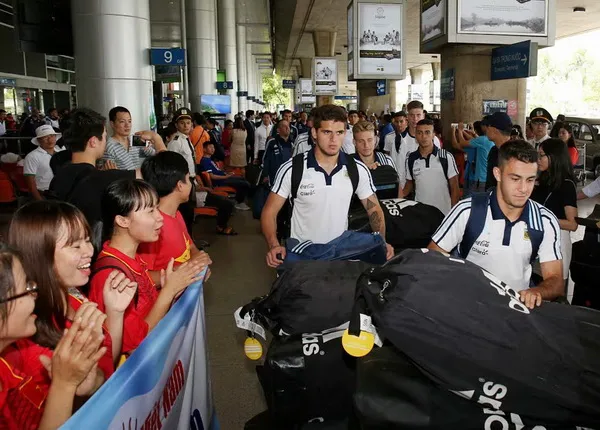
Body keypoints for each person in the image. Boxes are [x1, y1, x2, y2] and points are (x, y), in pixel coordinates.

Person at [8, 200, 139, 378]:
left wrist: (115, 312)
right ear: (40, 255)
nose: (89, 251)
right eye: (76, 246)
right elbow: (81, 390)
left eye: (87, 240)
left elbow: (107, 366)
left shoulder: (73, 293)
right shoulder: (29, 330)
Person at [429, 140, 563, 308]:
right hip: (468, 307)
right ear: (497, 174)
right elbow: (431, 259)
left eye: (530, 180)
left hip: (515, 310)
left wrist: (537, 292)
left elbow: (556, 280)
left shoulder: (544, 220)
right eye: (515, 179)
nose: (523, 189)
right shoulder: (468, 211)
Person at [261, 104, 394, 267]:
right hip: (303, 256)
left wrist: (381, 241)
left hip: (341, 255)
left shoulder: (357, 169)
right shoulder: (293, 169)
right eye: (326, 132)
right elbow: (269, 212)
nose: (333, 139)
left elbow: (373, 209)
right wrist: (274, 245)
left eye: (339, 133)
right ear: (314, 133)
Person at [89, 179, 205, 357]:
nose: (160, 217)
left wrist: (173, 289)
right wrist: (168, 291)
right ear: (122, 221)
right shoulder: (112, 276)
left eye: (157, 208)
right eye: (150, 211)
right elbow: (135, 348)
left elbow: (148, 315)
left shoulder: (132, 260)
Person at [0, 244, 108, 429]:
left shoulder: (18, 352)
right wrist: (64, 385)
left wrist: (88, 380)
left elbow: (89, 376)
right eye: (26, 288)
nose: (34, 295)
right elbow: (65, 381)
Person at [49, 108, 141, 237]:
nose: (105, 141)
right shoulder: (104, 179)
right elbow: (161, 173)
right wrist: (157, 140)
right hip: (91, 245)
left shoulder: (59, 176)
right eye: (104, 137)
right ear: (93, 141)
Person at [138, 152, 214, 281]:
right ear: (180, 185)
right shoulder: (153, 226)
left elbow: (190, 246)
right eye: (188, 179)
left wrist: (199, 262)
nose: (190, 184)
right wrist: (189, 267)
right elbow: (141, 279)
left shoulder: (176, 214)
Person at [531, 138, 578, 290]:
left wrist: (543, 219)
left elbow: (573, 224)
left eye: (541, 155)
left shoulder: (566, 185)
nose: (538, 160)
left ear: (554, 157)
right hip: (535, 243)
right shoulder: (542, 180)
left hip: (557, 245)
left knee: (553, 291)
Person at [402, 119, 460, 215]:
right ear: (415, 135)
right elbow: (409, 185)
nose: (423, 136)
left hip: (443, 213)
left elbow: (455, 188)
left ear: (433, 135)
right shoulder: (411, 159)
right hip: (420, 214)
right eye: (419, 133)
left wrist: (453, 214)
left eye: (427, 132)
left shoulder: (446, 157)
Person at [392, 101, 441, 189]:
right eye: (412, 115)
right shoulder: (399, 140)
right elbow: (395, 167)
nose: (415, 119)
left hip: (429, 188)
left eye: (418, 115)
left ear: (423, 115)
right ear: (407, 117)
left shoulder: (434, 140)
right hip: (405, 189)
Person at [103, 106, 166, 170]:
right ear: (112, 124)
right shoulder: (109, 147)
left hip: (139, 176)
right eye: (122, 121)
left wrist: (149, 145)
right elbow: (111, 173)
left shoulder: (135, 139)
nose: (127, 125)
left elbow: (157, 156)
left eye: (129, 121)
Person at [200, 141, 251, 210]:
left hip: (223, 178)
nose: (213, 149)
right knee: (244, 184)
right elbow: (212, 176)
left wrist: (226, 173)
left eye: (213, 147)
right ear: (204, 149)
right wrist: (226, 176)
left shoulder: (209, 159)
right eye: (210, 147)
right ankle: (239, 203)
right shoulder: (205, 161)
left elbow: (217, 171)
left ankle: (239, 200)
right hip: (219, 181)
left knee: (242, 179)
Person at [453, 120, 495, 194]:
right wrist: (466, 132)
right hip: (487, 177)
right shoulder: (489, 140)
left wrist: (458, 131)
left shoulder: (480, 141)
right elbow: (475, 139)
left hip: (479, 178)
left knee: (476, 198)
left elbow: (460, 144)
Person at [23, 125, 64, 200]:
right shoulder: (32, 156)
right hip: (44, 194)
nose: (50, 139)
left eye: (52, 136)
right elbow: (30, 183)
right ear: (39, 140)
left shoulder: (62, 153)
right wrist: (40, 201)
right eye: (45, 137)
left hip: (62, 193)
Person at [484, 112, 513, 191]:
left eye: (488, 126)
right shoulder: (494, 150)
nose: (486, 129)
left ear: (494, 130)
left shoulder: (514, 153)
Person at [262, 120, 294, 186]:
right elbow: (266, 159)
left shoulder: (293, 143)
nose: (287, 128)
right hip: (275, 177)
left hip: (289, 177)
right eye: (284, 126)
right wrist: (265, 175)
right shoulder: (272, 142)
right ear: (278, 130)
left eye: (288, 126)